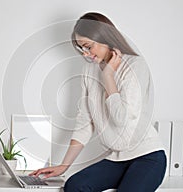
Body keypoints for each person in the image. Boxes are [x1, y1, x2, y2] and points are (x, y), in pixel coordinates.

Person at [30, 12, 166, 192]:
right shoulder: (89, 70)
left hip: (148, 157)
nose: (86, 53)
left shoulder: (135, 66)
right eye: (81, 48)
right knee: (74, 186)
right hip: (116, 159)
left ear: (104, 38)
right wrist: (64, 165)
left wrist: (108, 75)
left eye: (88, 46)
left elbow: (122, 118)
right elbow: (85, 122)